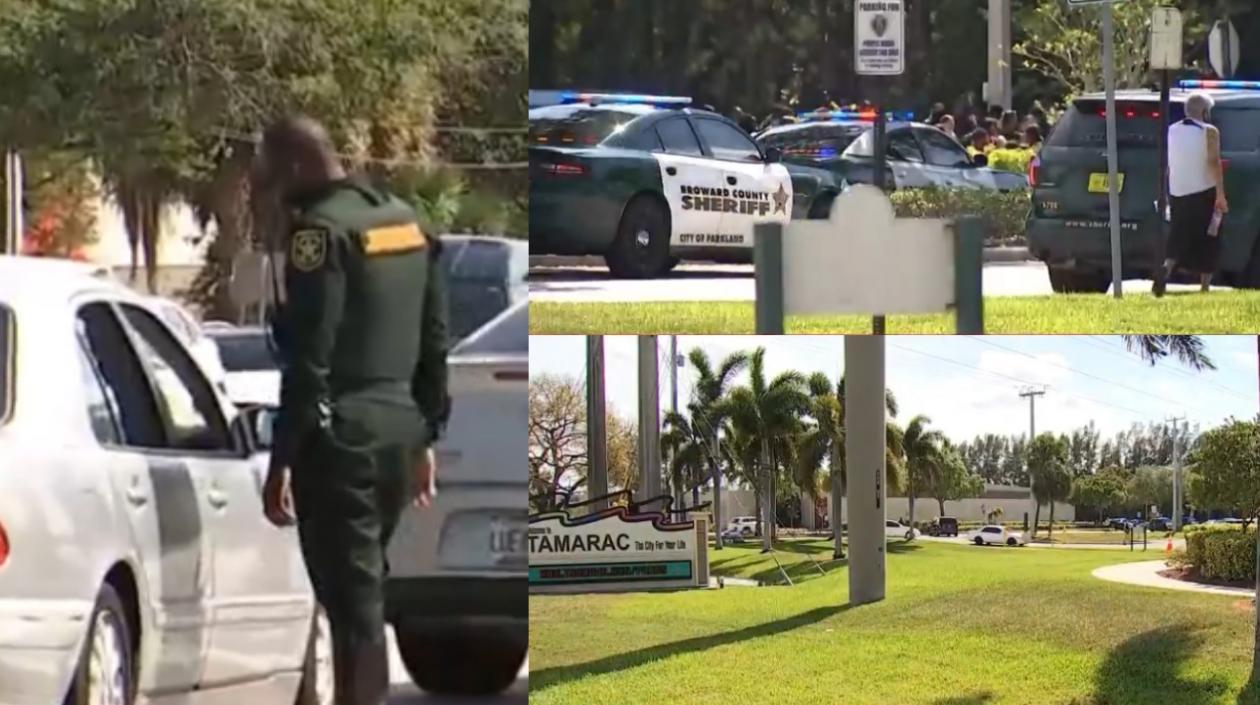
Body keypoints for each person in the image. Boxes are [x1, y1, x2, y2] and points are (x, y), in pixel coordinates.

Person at [256, 115, 451, 705]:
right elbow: (434, 341)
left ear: (295, 165)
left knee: (353, 606)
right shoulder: (405, 222)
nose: (264, 185)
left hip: (342, 443)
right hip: (398, 434)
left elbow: (310, 357)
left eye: (268, 171)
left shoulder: (319, 234)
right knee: (362, 591)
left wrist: (282, 460)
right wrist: (425, 436)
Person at [1155, 93, 1228, 296]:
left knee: (1178, 234)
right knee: (1210, 237)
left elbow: (1168, 162)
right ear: (1204, 112)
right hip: (1203, 191)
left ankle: (1167, 267)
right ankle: (1204, 286)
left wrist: (1166, 191)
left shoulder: (1172, 130)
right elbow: (1213, 162)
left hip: (1178, 191)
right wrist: (1220, 194)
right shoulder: (1209, 131)